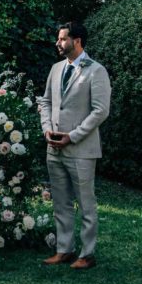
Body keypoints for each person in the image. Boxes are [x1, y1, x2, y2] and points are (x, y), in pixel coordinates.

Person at [36, 22, 111, 270]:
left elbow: (100, 111)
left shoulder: (96, 71)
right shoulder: (56, 69)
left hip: (81, 148)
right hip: (54, 147)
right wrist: (47, 128)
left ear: (76, 41)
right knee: (60, 201)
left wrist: (73, 135)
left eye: (62, 39)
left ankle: (87, 253)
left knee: (85, 202)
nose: (58, 43)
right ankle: (64, 249)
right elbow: (45, 101)